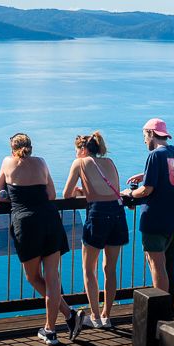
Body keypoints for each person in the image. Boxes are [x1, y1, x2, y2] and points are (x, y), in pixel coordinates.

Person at [0, 133, 82, 345]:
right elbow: (51, 194)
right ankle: (55, 327)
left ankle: (67, 317)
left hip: (26, 225)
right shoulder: (42, 162)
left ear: (12, 148)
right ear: (31, 148)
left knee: (33, 277)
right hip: (50, 220)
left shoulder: (7, 163)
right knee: (52, 277)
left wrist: (9, 196)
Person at [63, 131, 127, 329]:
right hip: (117, 213)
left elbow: (66, 194)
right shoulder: (110, 162)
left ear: (82, 149)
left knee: (89, 269)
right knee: (110, 269)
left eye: (76, 150)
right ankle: (108, 316)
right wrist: (86, 191)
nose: (75, 154)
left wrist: (79, 192)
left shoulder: (80, 163)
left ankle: (96, 317)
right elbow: (110, 189)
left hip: (97, 215)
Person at [123, 118, 174, 292]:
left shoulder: (155, 155)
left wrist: (128, 194)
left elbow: (147, 190)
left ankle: (159, 310)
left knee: (156, 265)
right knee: (160, 262)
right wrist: (145, 174)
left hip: (156, 218)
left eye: (145, 136)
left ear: (151, 134)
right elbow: (169, 175)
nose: (144, 141)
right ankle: (163, 306)